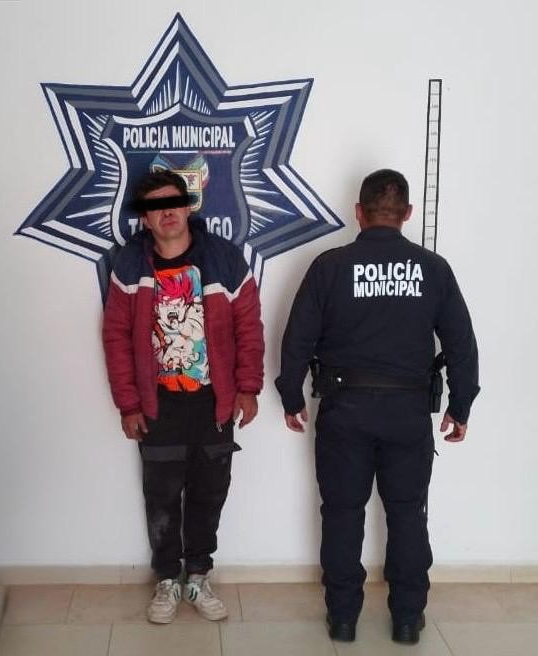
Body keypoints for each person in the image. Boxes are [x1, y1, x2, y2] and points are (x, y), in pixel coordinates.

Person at [275, 169, 479, 644]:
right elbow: (462, 344)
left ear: (359, 213)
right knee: (407, 514)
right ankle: (407, 619)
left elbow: (297, 338)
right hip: (407, 413)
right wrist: (461, 405)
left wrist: (291, 395)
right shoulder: (433, 269)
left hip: (344, 411)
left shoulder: (329, 266)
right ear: (407, 213)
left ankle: (343, 618)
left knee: (342, 513)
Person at [103, 170, 264, 624]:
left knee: (209, 492)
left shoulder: (224, 259)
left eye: (173, 202)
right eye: (155, 207)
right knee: (161, 495)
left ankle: (198, 575)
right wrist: (128, 403)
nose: (166, 212)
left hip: (213, 402)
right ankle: (166, 580)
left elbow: (249, 328)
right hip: (158, 405)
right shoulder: (129, 265)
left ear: (189, 206)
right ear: (145, 218)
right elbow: (115, 337)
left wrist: (248, 387)